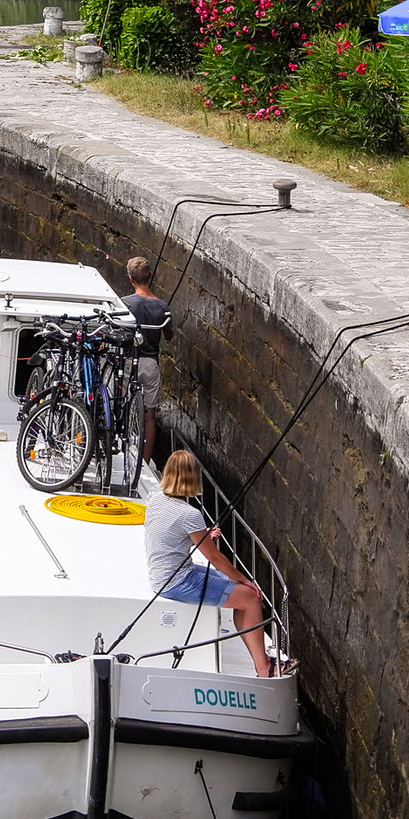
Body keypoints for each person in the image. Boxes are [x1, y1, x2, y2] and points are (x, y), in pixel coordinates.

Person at [144, 450, 274, 677]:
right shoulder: (189, 514)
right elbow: (215, 558)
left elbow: (170, 537)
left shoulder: (155, 501)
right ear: (192, 476)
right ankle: (263, 667)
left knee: (242, 596)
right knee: (251, 597)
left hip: (162, 575)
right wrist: (244, 578)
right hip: (178, 581)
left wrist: (203, 535)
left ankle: (259, 659)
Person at [121, 257, 170, 463]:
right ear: (150, 277)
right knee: (150, 416)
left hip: (127, 361)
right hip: (150, 364)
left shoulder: (125, 303)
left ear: (131, 279)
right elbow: (169, 335)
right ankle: (145, 461)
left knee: (121, 404)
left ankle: (119, 445)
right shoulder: (161, 306)